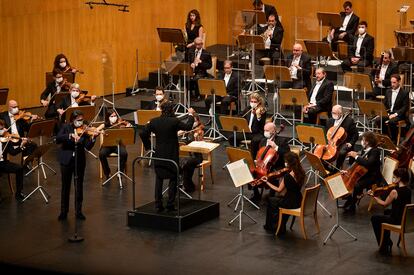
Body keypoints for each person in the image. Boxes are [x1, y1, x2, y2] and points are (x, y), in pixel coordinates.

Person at [140, 102, 195, 212]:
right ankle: (170, 204)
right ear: (172, 110)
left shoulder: (154, 121)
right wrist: (190, 115)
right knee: (173, 178)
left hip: (159, 153)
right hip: (171, 154)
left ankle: (158, 204)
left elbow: (142, 133)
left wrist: (148, 146)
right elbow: (188, 126)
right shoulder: (174, 121)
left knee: (159, 178)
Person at [56, 110, 98, 221]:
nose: (80, 122)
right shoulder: (66, 127)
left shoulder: (84, 130)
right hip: (66, 160)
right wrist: (70, 136)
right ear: (72, 120)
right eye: (78, 120)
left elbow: (87, 147)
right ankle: (63, 212)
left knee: (79, 186)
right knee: (65, 187)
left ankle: (78, 211)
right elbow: (58, 138)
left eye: (81, 120)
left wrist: (93, 138)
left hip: (79, 161)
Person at [369, 168, 412, 255]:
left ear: (399, 178)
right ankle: (387, 241)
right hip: (405, 220)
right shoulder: (409, 190)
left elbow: (384, 204)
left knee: (374, 218)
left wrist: (373, 196)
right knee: (386, 212)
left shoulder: (394, 192)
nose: (393, 179)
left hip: (397, 220)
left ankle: (384, 244)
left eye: (394, 177)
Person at [263, 152, 305, 234]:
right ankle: (281, 224)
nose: (285, 163)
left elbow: (279, 190)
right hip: (298, 200)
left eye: (286, 161)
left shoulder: (288, 176)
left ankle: (273, 226)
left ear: (289, 163)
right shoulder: (301, 172)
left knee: (271, 200)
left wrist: (267, 182)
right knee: (276, 200)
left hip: (290, 202)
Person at [344, 132, 384, 213]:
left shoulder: (375, 151)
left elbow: (368, 163)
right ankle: (350, 201)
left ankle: (352, 207)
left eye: (363, 140)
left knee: (356, 185)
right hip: (365, 174)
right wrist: (348, 170)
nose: (362, 141)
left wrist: (356, 156)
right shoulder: (365, 149)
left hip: (373, 176)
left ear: (367, 142)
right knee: (351, 181)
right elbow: (359, 163)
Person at [250, 122, 290, 202]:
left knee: (272, 174)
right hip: (263, 164)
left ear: (274, 131)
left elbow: (287, 154)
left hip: (277, 165)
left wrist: (276, 147)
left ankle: (272, 194)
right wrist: (256, 160)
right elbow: (260, 154)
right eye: (264, 130)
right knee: (251, 172)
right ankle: (256, 193)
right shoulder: (263, 141)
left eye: (267, 130)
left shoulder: (282, 141)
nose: (265, 132)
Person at [99, 110, 132, 180]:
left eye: (115, 116)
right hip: (107, 145)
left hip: (117, 145)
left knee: (124, 153)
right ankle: (107, 172)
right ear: (108, 117)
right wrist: (101, 132)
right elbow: (96, 130)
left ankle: (119, 172)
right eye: (112, 116)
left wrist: (128, 126)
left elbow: (130, 128)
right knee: (101, 154)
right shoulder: (105, 125)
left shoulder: (119, 124)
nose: (114, 118)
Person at [0, 119, 27, 202]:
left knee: (19, 168)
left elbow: (13, 152)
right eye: (1, 129)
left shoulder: (6, 140)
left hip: (3, 163)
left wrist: (21, 146)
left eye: (3, 128)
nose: (4, 130)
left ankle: (19, 193)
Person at [325, 105, 359, 169]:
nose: (333, 114)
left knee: (341, 152)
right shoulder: (329, 121)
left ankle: (337, 169)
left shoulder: (349, 121)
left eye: (335, 113)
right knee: (321, 150)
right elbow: (326, 133)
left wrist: (351, 143)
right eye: (332, 112)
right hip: (331, 142)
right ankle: (326, 168)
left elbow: (355, 135)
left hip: (344, 143)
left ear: (340, 113)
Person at [379, 74, 409, 142]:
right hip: (389, 113)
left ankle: (393, 140)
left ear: (399, 82)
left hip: (399, 115)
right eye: (391, 82)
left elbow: (405, 107)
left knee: (392, 122)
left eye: (394, 82)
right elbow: (384, 104)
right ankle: (386, 138)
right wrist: (382, 111)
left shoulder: (404, 93)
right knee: (378, 120)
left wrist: (395, 114)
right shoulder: (388, 91)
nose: (392, 84)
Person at [179, 113, 204, 193]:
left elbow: (201, 143)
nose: (194, 123)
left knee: (187, 164)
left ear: (198, 121)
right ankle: (186, 183)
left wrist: (197, 137)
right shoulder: (187, 130)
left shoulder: (199, 131)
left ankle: (186, 184)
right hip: (187, 156)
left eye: (195, 121)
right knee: (185, 164)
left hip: (197, 156)